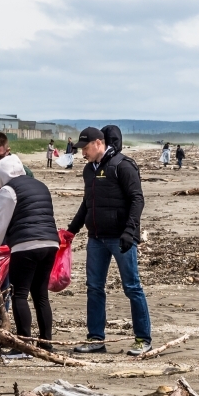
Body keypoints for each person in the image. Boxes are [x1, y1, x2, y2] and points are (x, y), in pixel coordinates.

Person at [67, 125, 152, 356]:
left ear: (98, 143)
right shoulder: (89, 170)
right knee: (94, 288)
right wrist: (71, 231)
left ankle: (143, 339)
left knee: (132, 287)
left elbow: (137, 200)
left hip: (121, 238)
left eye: (85, 148)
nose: (82, 152)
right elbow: (87, 203)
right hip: (96, 238)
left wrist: (129, 231)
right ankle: (96, 338)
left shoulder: (123, 166)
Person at [0, 154, 59, 349]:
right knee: (41, 295)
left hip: (25, 246)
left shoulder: (8, 190)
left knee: (20, 295)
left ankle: (24, 345)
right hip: (51, 244)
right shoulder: (40, 185)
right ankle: (46, 343)